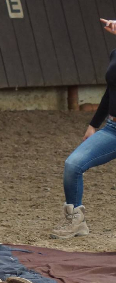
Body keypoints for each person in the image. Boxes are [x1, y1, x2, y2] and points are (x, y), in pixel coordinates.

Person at [52, 18, 116, 239]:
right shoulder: (114, 54)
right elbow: (110, 93)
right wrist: (93, 125)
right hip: (113, 129)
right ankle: (76, 221)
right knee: (73, 165)